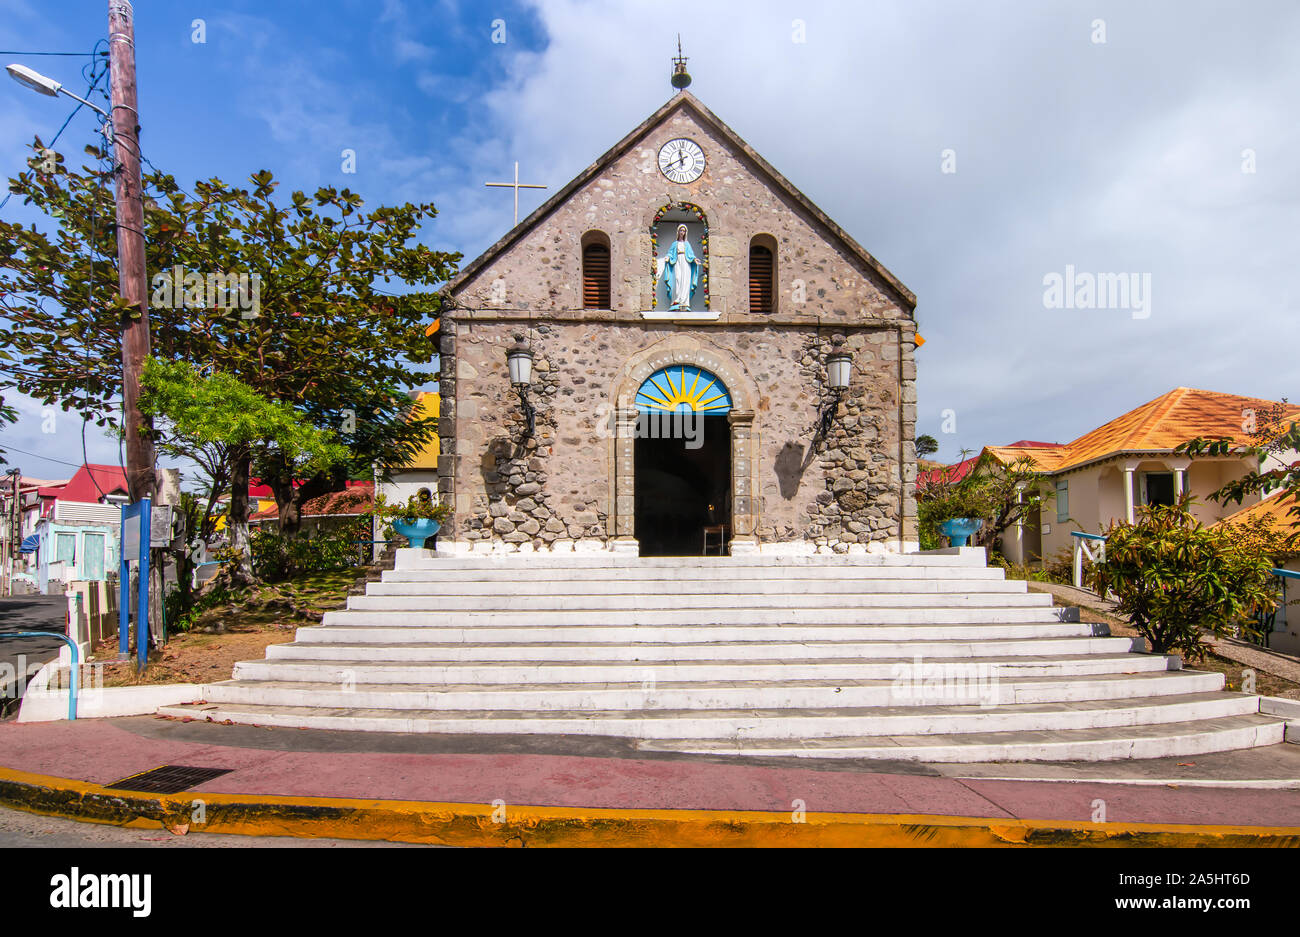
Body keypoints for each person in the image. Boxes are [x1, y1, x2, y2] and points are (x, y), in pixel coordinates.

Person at [657, 224, 700, 310]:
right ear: (678, 232)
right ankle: (676, 300)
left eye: (684, 231)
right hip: (677, 262)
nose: (682, 232)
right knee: (677, 279)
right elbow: (670, 252)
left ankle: (684, 301)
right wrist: (667, 257)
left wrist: (695, 259)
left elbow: (691, 255)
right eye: (681, 230)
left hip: (686, 262)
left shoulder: (687, 244)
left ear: (685, 233)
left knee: (685, 281)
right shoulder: (674, 244)